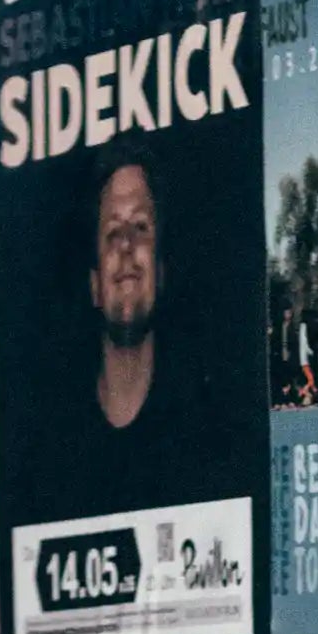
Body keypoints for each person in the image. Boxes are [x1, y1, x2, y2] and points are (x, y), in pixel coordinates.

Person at [50, 154, 224, 514]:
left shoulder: (207, 442)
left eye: (141, 227)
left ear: (160, 274)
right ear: (95, 285)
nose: (126, 245)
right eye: (113, 231)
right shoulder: (54, 453)